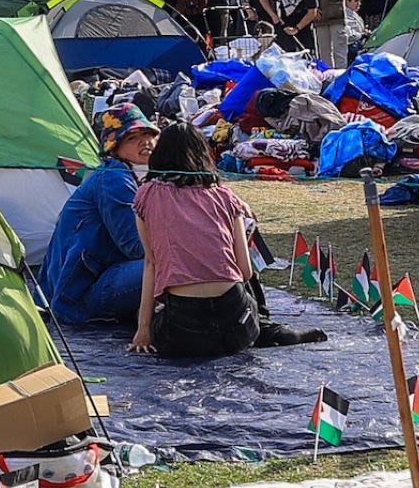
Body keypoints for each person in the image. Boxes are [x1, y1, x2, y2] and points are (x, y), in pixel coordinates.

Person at [127, 126, 316, 357]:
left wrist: (143, 329)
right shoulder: (226, 196)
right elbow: (245, 272)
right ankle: (266, 327)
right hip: (236, 329)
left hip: (182, 333)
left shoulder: (146, 194)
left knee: (156, 311)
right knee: (245, 290)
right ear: (204, 154)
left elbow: (151, 264)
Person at [41, 106, 157, 326]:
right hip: (81, 293)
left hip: (99, 275)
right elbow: (135, 246)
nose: (145, 142)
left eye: (147, 135)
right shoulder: (114, 178)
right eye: (133, 138)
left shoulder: (131, 175)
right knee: (174, 263)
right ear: (114, 147)